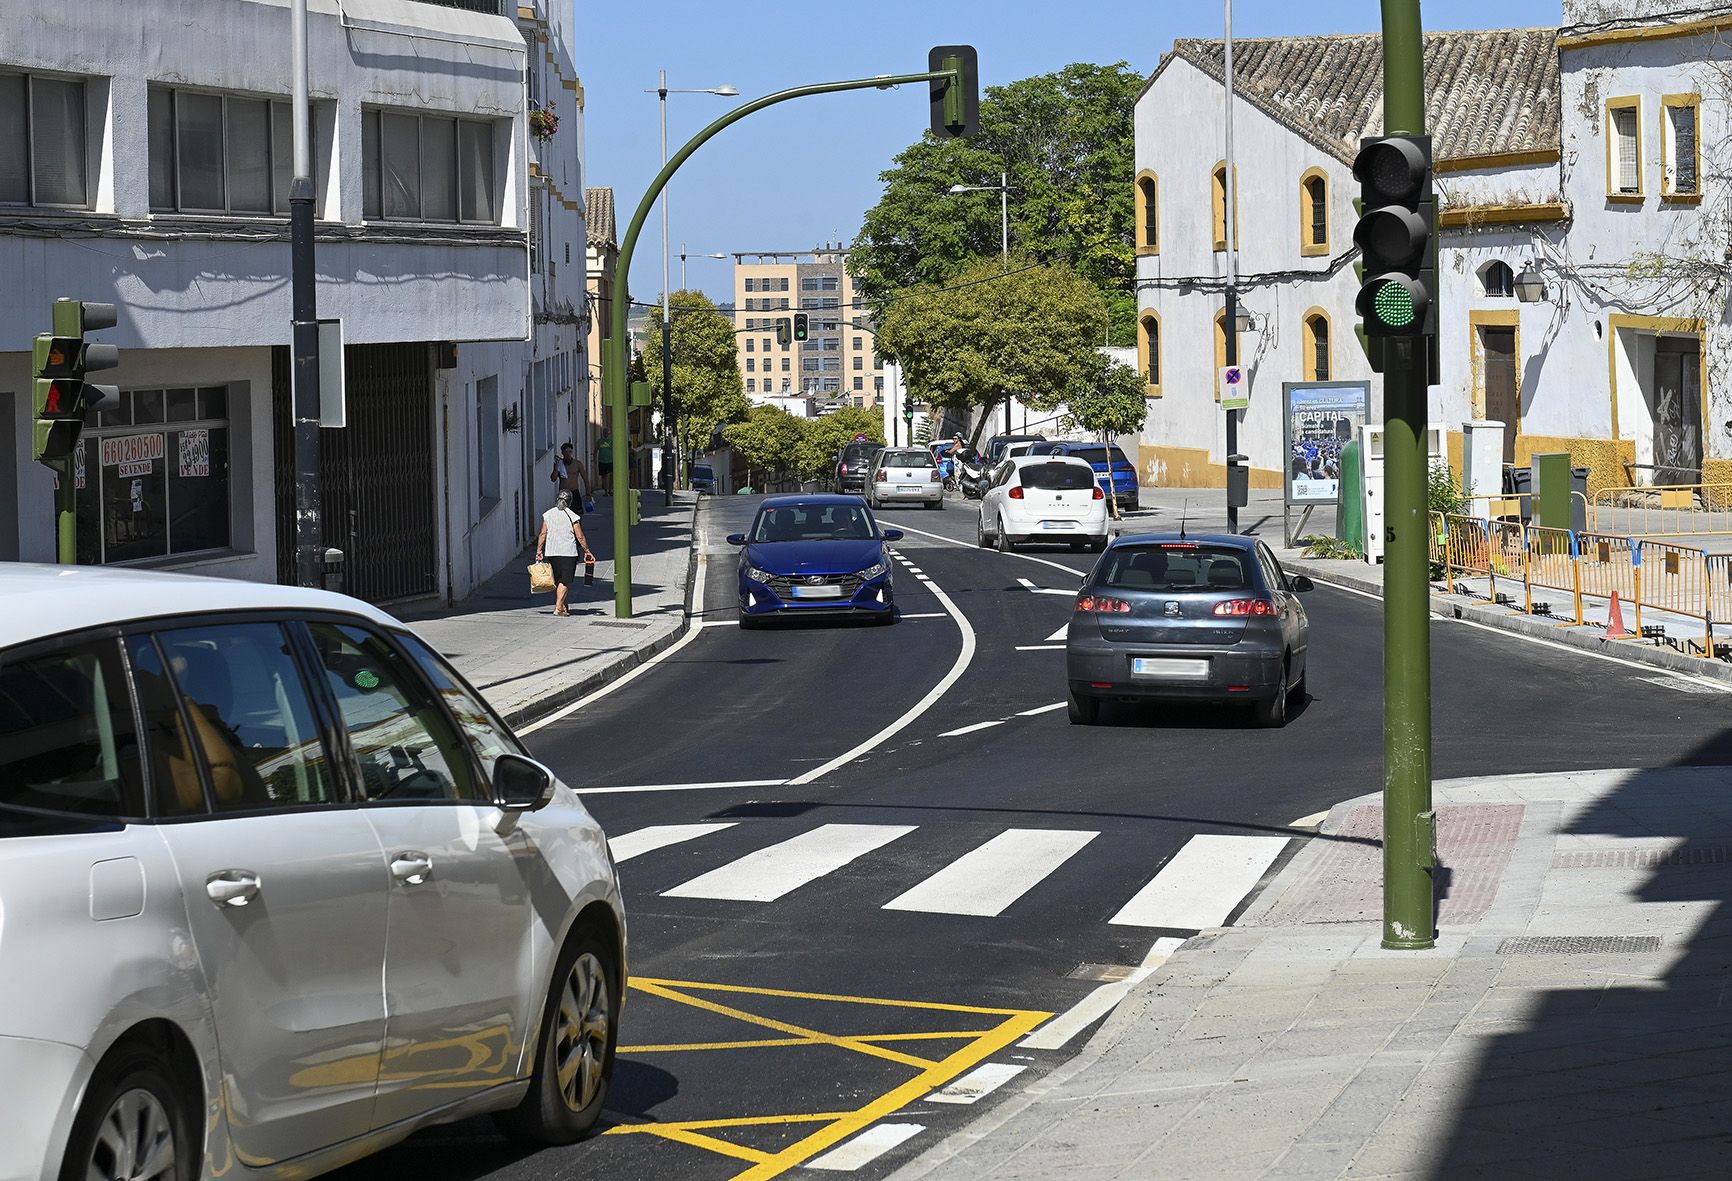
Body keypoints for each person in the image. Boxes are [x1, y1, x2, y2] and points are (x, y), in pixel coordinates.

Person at [535, 490, 593, 617]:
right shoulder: (572, 516)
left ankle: (564, 606)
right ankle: (558, 608)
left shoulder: (548, 514)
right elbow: (580, 536)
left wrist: (539, 550)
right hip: (568, 552)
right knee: (565, 581)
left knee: (559, 580)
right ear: (570, 502)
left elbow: (543, 533)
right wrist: (587, 551)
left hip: (552, 552)